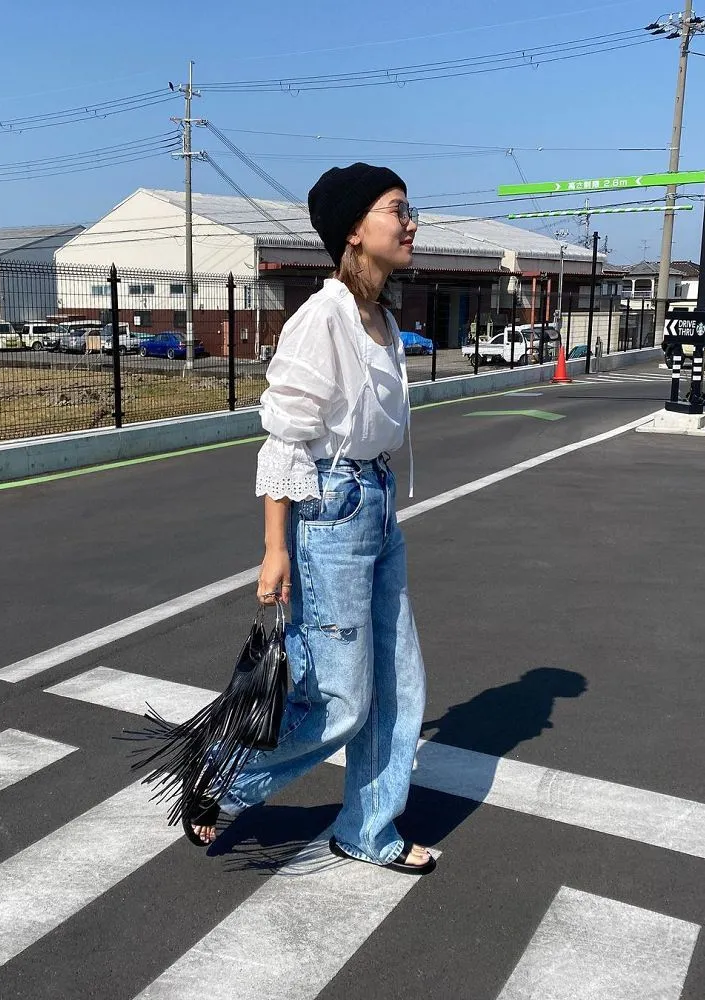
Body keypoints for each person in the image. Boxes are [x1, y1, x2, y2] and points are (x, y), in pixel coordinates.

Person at [188, 163, 435, 874]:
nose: (410, 223)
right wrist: (276, 550)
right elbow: (285, 439)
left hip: (376, 505)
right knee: (341, 698)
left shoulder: (381, 316)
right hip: (332, 509)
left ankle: (368, 828)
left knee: (398, 685)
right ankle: (225, 775)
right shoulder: (322, 319)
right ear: (355, 229)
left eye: (409, 209)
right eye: (397, 209)